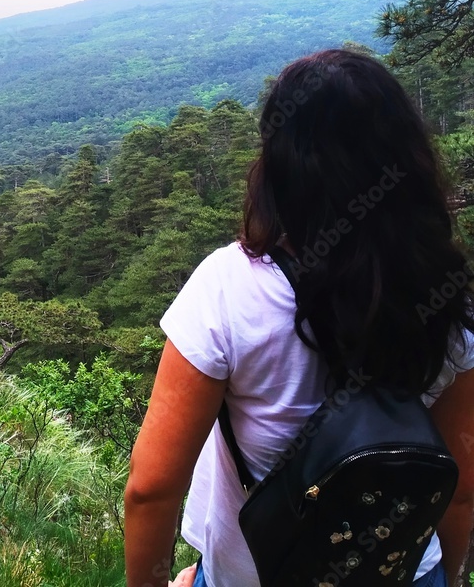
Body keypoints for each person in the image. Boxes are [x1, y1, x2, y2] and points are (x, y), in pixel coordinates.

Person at [124, 48, 474, 587]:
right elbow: (461, 485)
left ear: (283, 163)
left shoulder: (229, 285)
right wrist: (444, 578)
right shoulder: (448, 294)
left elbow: (151, 488)